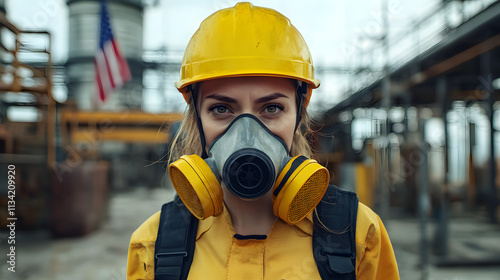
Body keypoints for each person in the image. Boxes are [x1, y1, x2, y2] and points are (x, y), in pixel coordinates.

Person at [127, 2, 399, 279]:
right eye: (221, 109)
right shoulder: (152, 246)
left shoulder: (358, 234)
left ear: (299, 114)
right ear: (197, 117)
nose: (247, 135)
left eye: (271, 108)